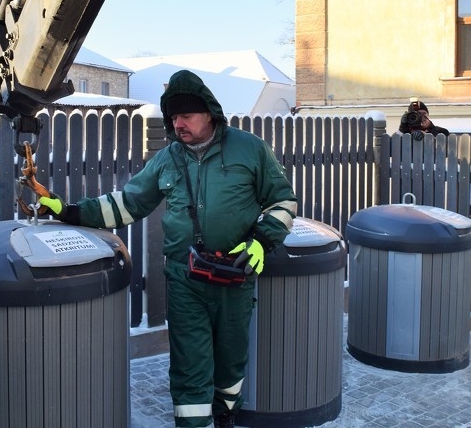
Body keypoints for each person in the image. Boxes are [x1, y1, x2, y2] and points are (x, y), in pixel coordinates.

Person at [40, 69, 297, 428]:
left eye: (186, 115)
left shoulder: (249, 149)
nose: (179, 124)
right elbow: (127, 203)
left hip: (236, 276)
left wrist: (262, 240)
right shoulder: (167, 159)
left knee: (230, 359)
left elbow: (283, 201)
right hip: (185, 278)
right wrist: (68, 210)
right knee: (190, 363)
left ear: (209, 112)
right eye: (173, 117)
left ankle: (225, 414)